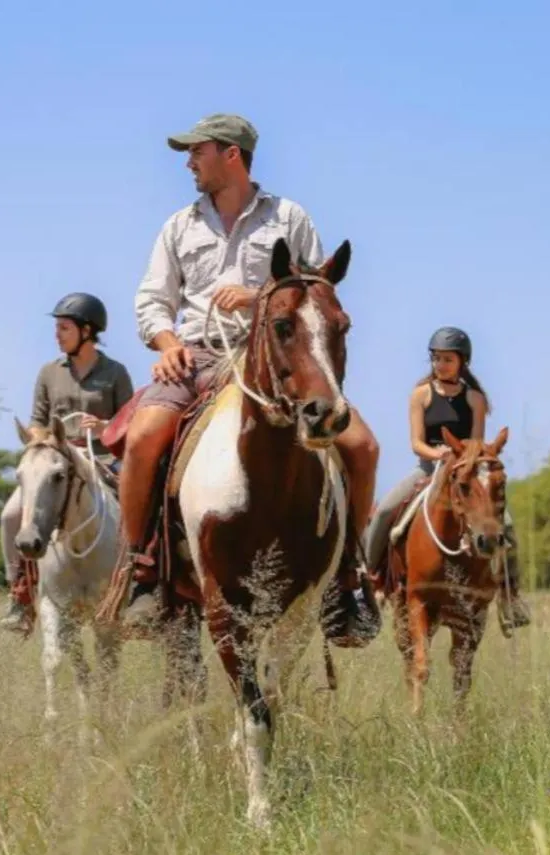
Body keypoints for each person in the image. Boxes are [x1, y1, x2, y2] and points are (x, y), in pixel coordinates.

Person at [109, 112, 381, 640]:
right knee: (143, 438)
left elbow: (316, 292)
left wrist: (258, 298)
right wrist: (166, 344)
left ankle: (348, 577)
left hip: (278, 359)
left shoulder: (289, 217)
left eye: (198, 151)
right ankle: (142, 572)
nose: (189, 162)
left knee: (364, 447)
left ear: (231, 154)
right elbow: (152, 300)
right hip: (197, 355)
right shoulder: (179, 226)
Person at [363, 326, 532, 637]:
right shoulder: (421, 394)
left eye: (447, 359)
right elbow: (416, 443)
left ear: (462, 362)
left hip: (464, 473)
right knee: (385, 511)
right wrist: (438, 453)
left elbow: (476, 445)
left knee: (506, 525)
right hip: (428, 469)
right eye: (436, 359)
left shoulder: (475, 399)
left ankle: (511, 597)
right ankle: (369, 583)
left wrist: (461, 458)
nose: (440, 365)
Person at [0, 292, 135, 633]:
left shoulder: (115, 373)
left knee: (140, 504)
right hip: (56, 458)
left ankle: (142, 586)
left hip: (102, 457)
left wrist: (104, 427)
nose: (57, 335)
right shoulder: (49, 372)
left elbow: (130, 422)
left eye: (64, 328)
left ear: (87, 331)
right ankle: (19, 594)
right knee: (10, 515)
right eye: (57, 328)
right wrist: (38, 435)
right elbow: (37, 419)